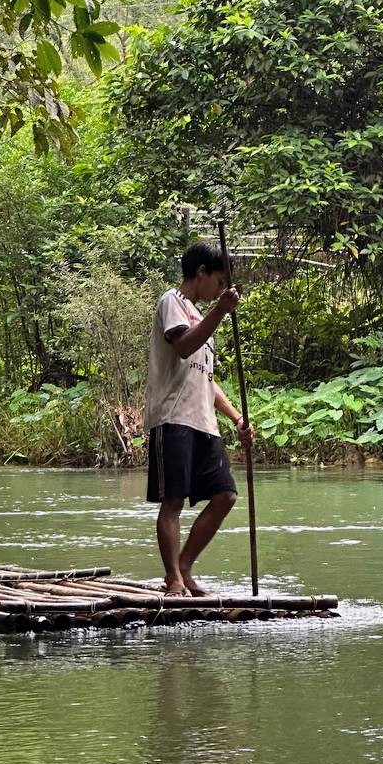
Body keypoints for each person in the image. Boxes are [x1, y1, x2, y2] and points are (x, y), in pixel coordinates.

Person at [145, 241, 254, 596]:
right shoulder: (171, 302)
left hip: (204, 423)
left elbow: (206, 377)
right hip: (172, 418)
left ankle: (186, 566)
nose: (221, 290)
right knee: (173, 500)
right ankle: (173, 578)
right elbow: (183, 347)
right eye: (219, 281)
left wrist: (237, 418)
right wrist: (220, 312)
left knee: (225, 495)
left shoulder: (202, 317)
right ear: (201, 273)